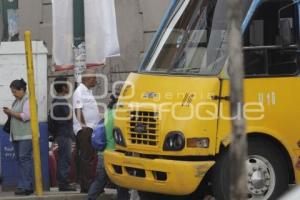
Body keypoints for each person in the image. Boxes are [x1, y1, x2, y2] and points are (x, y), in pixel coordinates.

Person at [87, 94, 130, 200]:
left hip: (104, 154)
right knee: (122, 183)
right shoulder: (119, 115)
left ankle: (90, 198)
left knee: (100, 182)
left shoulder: (108, 113)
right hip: (116, 154)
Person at [2, 79, 33, 195]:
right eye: (12, 92)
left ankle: (27, 186)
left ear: (22, 90)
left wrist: (10, 113)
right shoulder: (16, 101)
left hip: (26, 135)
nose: (13, 94)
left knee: (24, 160)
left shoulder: (28, 100)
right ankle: (22, 185)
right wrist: (9, 113)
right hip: (17, 135)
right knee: (21, 161)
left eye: (15, 91)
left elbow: (26, 116)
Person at [73, 69, 101, 193]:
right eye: (94, 78)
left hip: (91, 129)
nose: (96, 80)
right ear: (87, 79)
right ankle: (88, 186)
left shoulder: (87, 92)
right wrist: (84, 126)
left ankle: (88, 185)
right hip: (85, 130)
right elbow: (77, 110)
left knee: (89, 157)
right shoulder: (79, 92)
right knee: (86, 158)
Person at [50, 77, 76, 191]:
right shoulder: (62, 101)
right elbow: (69, 117)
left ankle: (62, 183)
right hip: (64, 133)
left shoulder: (55, 100)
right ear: (64, 87)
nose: (69, 87)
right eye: (67, 85)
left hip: (60, 133)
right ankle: (64, 184)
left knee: (62, 159)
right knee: (65, 159)